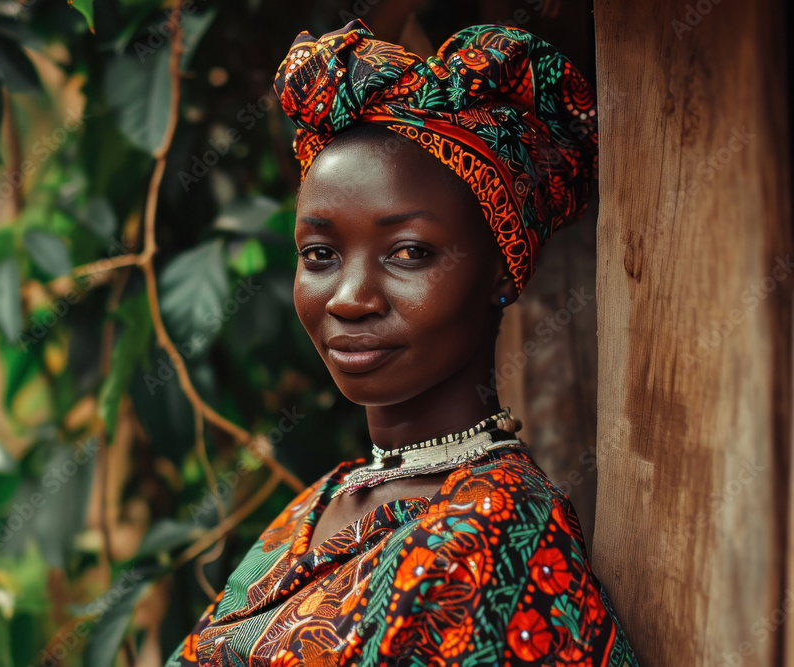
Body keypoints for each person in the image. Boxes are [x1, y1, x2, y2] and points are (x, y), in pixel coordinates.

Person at [165, 19, 639, 666]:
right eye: (321, 253)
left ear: (500, 269)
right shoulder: (327, 499)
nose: (349, 297)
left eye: (409, 252)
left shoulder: (494, 538)